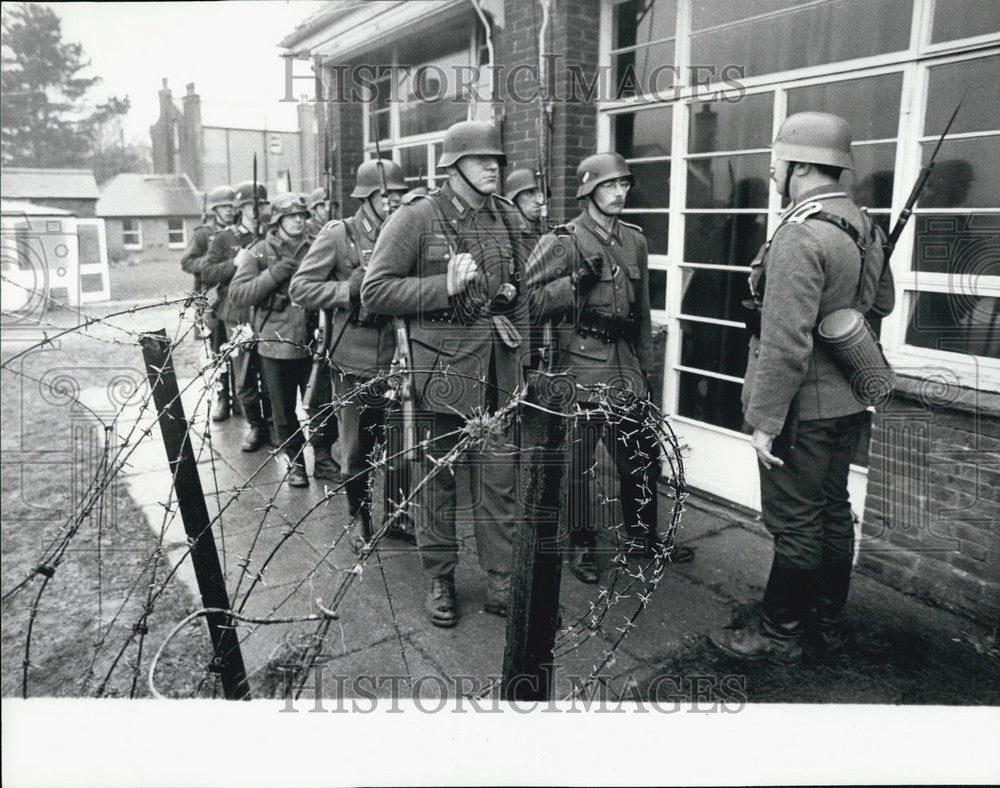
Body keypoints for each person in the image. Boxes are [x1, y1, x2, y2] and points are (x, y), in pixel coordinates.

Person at [709, 112, 895, 663]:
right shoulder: (864, 225)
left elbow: (786, 343)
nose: (772, 174)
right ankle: (824, 617)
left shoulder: (800, 233)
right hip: (848, 401)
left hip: (803, 411)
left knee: (795, 522)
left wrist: (764, 422)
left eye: (778, 164)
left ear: (804, 165)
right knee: (833, 509)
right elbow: (879, 306)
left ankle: (778, 633)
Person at [361, 120, 528, 627]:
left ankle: (502, 580)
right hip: (440, 375)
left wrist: (517, 337)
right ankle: (441, 578)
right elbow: (375, 291)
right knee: (437, 484)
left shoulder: (504, 217)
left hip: (496, 373)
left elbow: (517, 288)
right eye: (482, 160)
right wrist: (442, 287)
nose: (493, 168)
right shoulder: (416, 218)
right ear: (452, 165)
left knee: (500, 484)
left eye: (497, 160)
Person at [525, 152, 694, 585]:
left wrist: (646, 372)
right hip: (579, 372)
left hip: (625, 368)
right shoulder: (563, 241)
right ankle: (581, 547)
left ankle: (643, 537)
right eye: (609, 185)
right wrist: (572, 283)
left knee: (641, 457)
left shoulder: (634, 239)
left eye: (624, 185)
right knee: (580, 469)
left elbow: (642, 313)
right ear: (588, 190)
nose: (619, 193)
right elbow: (526, 303)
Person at [290, 159, 415, 543]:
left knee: (399, 444)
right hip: (354, 358)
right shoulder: (338, 235)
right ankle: (359, 518)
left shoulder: (408, 231)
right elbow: (300, 289)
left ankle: (397, 515)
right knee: (357, 448)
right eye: (385, 195)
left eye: (397, 194)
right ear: (367, 196)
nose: (393, 201)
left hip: (401, 356)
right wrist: (347, 290)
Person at [227, 193, 338, 488]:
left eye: (302, 215)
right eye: (292, 216)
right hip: (274, 344)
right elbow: (238, 294)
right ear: (277, 220)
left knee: (321, 406)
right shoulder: (259, 252)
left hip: (313, 339)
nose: (299, 220)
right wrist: (274, 275)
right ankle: (297, 463)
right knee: (283, 411)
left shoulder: (317, 245)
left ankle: (325, 459)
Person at [196, 181, 273, 451]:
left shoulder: (272, 233)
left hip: (267, 311)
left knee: (270, 374)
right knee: (244, 377)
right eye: (253, 205)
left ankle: (272, 424)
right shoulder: (224, 238)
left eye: (262, 204)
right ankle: (255, 425)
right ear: (240, 208)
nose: (258, 209)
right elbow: (206, 272)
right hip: (237, 314)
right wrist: (234, 263)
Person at [180, 185, 235, 408]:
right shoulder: (204, 234)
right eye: (224, 207)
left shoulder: (237, 232)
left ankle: (240, 399)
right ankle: (222, 397)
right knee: (216, 349)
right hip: (211, 298)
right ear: (215, 209)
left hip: (233, 297)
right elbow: (186, 262)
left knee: (238, 347)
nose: (230, 211)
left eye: (232, 206)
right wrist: (212, 262)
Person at [503, 167, 546, 243]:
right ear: (514, 199)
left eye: (540, 193)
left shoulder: (549, 233)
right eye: (530, 193)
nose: (539, 200)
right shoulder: (506, 233)